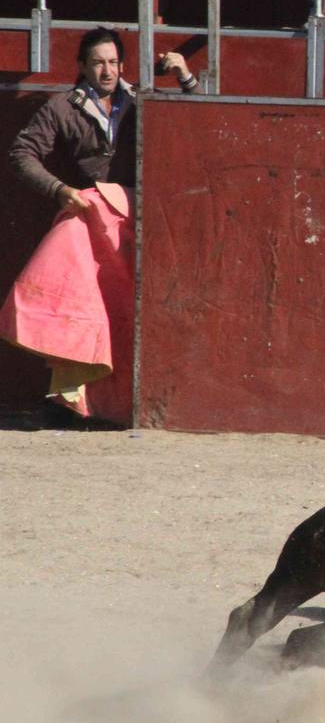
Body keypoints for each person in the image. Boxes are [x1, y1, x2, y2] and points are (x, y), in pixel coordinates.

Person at [5, 28, 199, 426]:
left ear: (122, 65)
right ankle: (71, 402)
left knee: (125, 309)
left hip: (137, 216)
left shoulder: (143, 99)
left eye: (113, 62)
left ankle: (117, 406)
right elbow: (21, 153)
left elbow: (198, 124)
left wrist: (185, 78)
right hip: (91, 217)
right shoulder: (63, 107)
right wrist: (60, 190)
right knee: (78, 301)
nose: (107, 71)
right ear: (82, 66)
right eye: (97, 63)